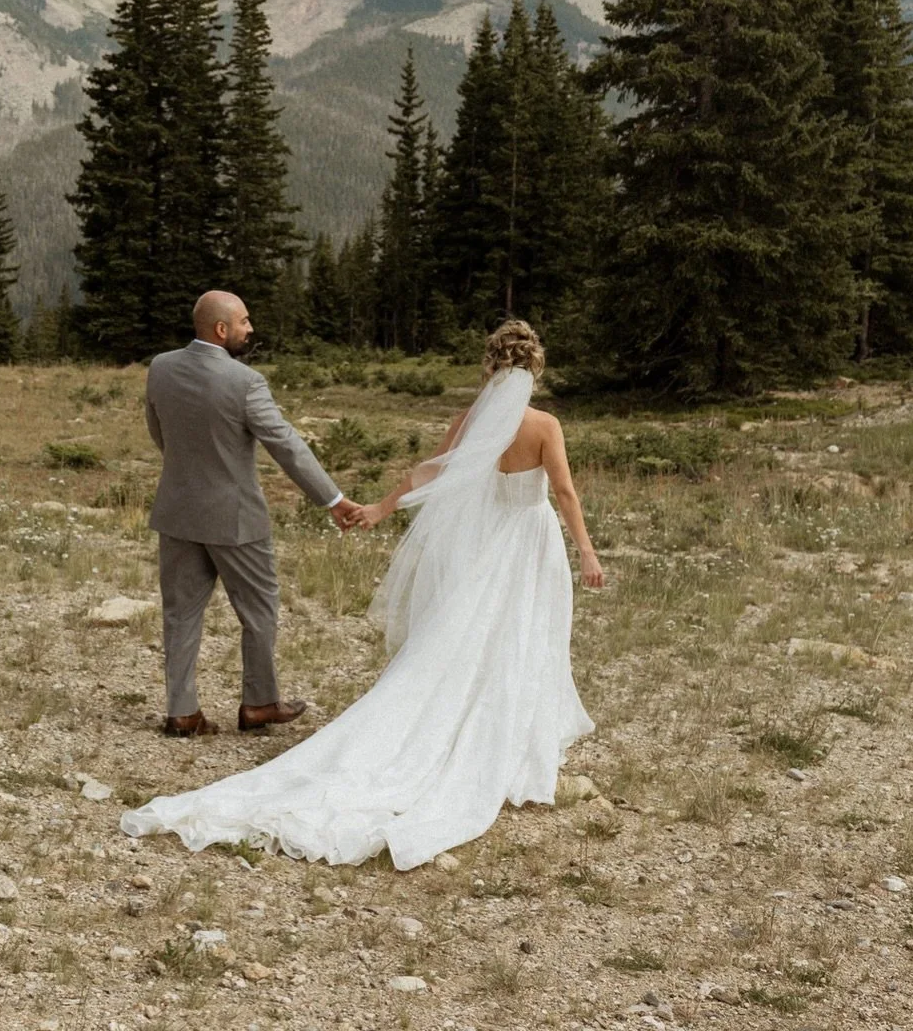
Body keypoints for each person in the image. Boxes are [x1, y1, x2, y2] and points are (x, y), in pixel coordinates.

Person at [121, 319, 603, 868]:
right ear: (534, 367)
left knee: (466, 635)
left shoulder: (469, 420)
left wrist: (379, 507)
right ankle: (510, 738)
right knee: (523, 633)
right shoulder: (544, 425)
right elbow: (562, 490)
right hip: (527, 542)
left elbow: (428, 473)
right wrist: (586, 551)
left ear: (490, 365)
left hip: (487, 546)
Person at [142, 290, 363, 737]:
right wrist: (333, 499)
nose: (250, 328)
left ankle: (182, 712)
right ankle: (260, 703)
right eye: (244, 321)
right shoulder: (245, 382)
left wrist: (189, 471)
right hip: (235, 517)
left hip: (179, 510)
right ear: (221, 330)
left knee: (180, 615)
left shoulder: (161, 367)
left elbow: (157, 429)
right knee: (259, 611)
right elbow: (287, 447)